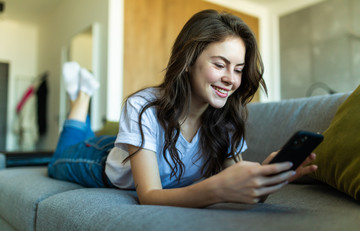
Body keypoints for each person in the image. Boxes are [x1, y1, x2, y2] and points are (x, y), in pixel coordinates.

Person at [49, 9, 317, 207]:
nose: (231, 79)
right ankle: (82, 97)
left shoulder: (227, 121)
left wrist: (267, 175)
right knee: (56, 161)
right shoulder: (143, 107)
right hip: (102, 162)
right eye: (220, 65)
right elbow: (150, 196)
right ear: (188, 61)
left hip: (140, 148)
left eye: (238, 69)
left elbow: (239, 187)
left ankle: (81, 96)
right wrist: (216, 189)